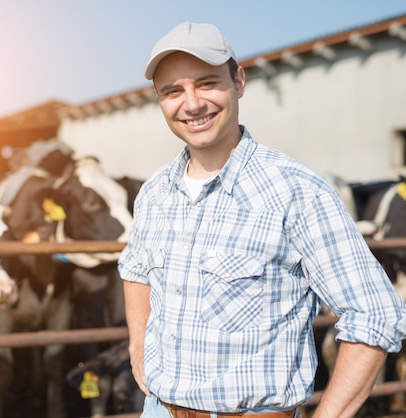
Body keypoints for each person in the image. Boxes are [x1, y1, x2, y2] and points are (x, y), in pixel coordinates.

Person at [118, 21, 406, 418]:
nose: (192, 104)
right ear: (159, 99)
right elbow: (135, 267)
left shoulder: (296, 191)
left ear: (239, 81)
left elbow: (376, 313)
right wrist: (138, 346)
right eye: (173, 91)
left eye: (207, 83)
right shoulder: (154, 192)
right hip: (159, 409)